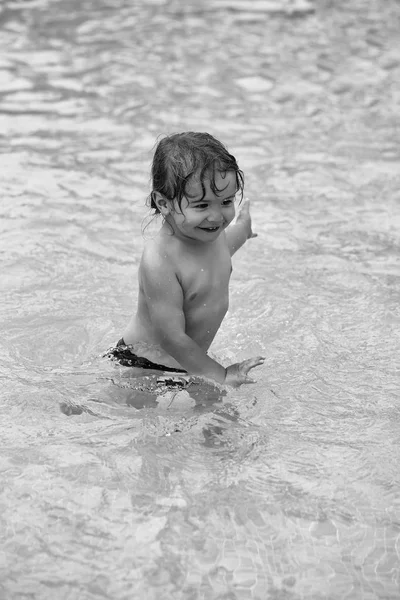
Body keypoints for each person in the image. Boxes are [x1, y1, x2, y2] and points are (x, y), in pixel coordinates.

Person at [109, 132, 265, 387]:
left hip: (192, 362)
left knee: (219, 421)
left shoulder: (214, 238)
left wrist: (245, 228)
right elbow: (171, 338)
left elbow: (233, 238)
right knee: (126, 417)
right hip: (143, 365)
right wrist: (222, 375)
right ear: (164, 203)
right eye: (202, 206)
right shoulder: (160, 261)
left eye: (226, 201)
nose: (216, 217)